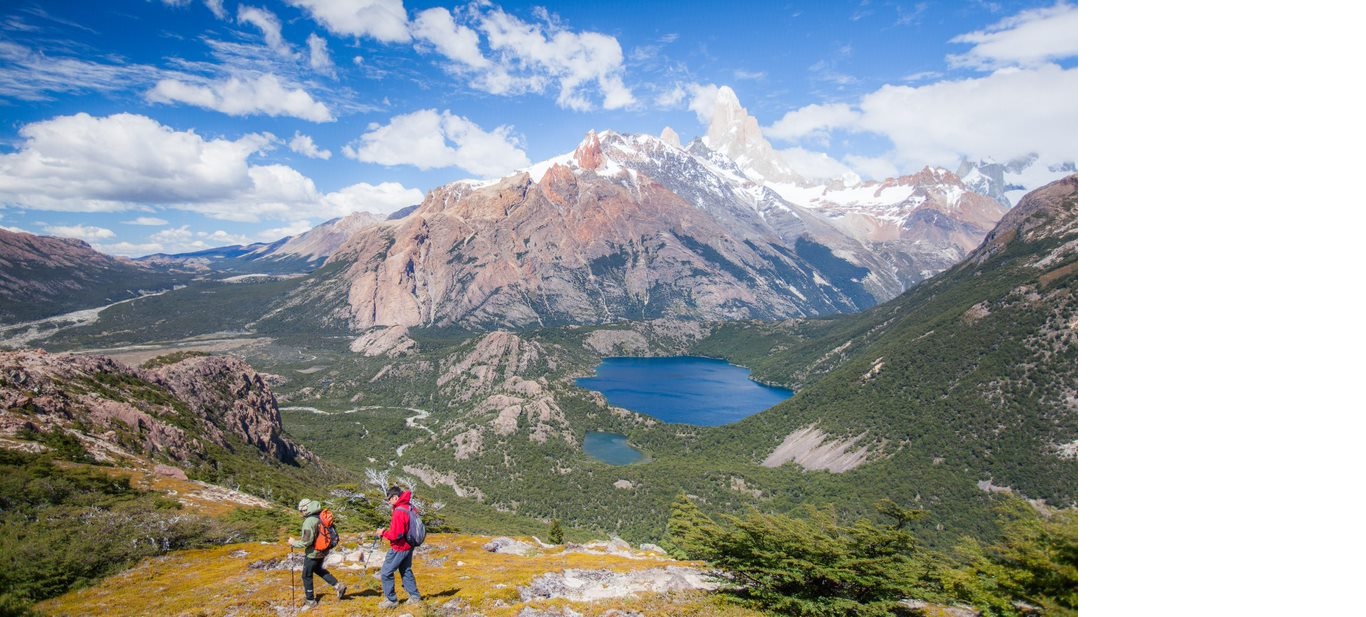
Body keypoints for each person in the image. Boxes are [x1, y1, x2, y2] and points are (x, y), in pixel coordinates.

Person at [289, 498, 346, 611]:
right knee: (318, 569)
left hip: (313, 553)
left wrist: (293, 543)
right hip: (323, 550)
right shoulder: (321, 516)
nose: (301, 513)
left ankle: (310, 601)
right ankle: (338, 586)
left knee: (306, 575)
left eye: (301, 511)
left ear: (305, 509)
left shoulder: (309, 521)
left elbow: (306, 541)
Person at [376, 486, 422, 608]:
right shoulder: (409, 506)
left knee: (386, 572)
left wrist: (383, 533)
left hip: (399, 548)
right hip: (409, 545)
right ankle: (415, 597)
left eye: (389, 499)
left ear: (396, 497)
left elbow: (396, 535)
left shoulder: (399, 511)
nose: (388, 502)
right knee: (405, 570)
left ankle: (391, 601)